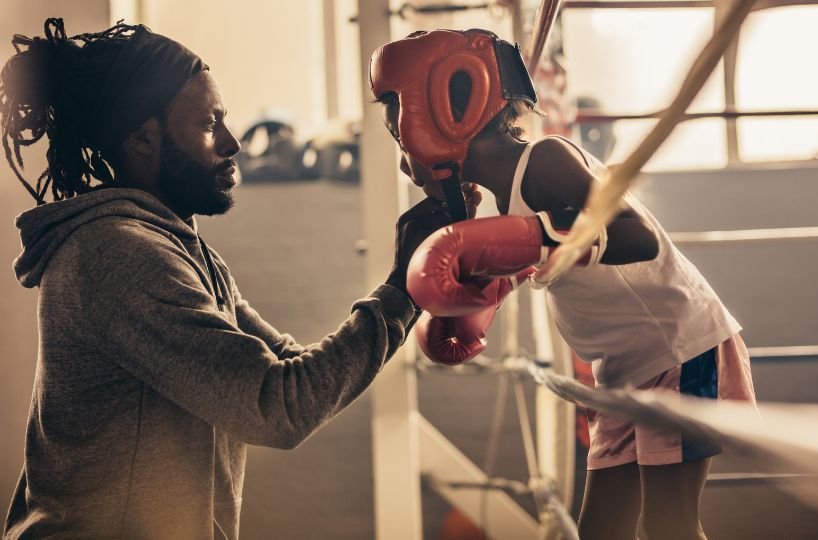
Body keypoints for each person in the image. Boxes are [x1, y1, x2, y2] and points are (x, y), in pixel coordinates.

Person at [0, 19, 455, 539]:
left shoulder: (179, 249)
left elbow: (290, 370)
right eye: (210, 124)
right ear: (144, 139)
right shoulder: (120, 254)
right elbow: (280, 406)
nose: (234, 143)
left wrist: (411, 283)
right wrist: (401, 291)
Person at [370, 29, 756, 540]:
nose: (398, 134)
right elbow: (535, 257)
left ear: (446, 108)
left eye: (399, 114)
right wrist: (474, 291)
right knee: (601, 530)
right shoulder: (503, 199)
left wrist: (540, 241)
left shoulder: (546, 160)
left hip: (677, 349)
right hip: (620, 372)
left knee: (670, 526)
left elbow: (636, 238)